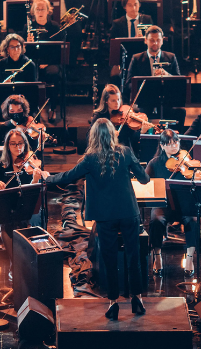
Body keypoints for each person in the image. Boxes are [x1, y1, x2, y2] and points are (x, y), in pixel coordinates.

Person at [45, 118, 149, 320]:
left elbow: (67, 177)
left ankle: (113, 302)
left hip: (105, 217)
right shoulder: (126, 152)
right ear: (113, 134)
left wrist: (47, 177)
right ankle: (137, 299)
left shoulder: (90, 159)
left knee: (109, 259)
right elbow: (144, 179)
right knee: (133, 257)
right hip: (129, 212)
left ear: (93, 136)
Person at [0, 129, 49, 267]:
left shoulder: (29, 164)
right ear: (8, 145)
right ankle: (16, 263)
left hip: (26, 206)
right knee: (7, 224)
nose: (18, 147)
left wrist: (35, 179)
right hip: (9, 207)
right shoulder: (1, 165)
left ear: (25, 144)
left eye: (20, 143)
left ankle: (34, 259)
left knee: (35, 218)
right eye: (13, 144)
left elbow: (32, 192)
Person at [144, 129, 201, 276]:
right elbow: (145, 182)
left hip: (185, 203)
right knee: (156, 220)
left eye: (176, 142)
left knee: (193, 220)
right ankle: (157, 256)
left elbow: (197, 182)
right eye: (169, 144)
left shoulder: (186, 161)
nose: (174, 146)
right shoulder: (155, 163)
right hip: (164, 204)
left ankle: (189, 258)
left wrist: (198, 176)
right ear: (162, 145)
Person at [124, 25, 181, 102]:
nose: (155, 43)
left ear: (162, 41)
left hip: (166, 99)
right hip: (144, 99)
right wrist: (146, 86)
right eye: (152, 40)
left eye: (158, 40)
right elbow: (128, 84)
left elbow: (179, 82)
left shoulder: (171, 57)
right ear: (145, 40)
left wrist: (167, 75)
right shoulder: (136, 58)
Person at [91, 84, 152, 154]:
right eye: (113, 100)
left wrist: (142, 131)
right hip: (105, 152)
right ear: (106, 101)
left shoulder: (125, 113)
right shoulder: (99, 116)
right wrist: (108, 134)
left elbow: (132, 138)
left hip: (124, 152)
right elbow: (90, 136)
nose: (117, 103)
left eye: (118, 99)